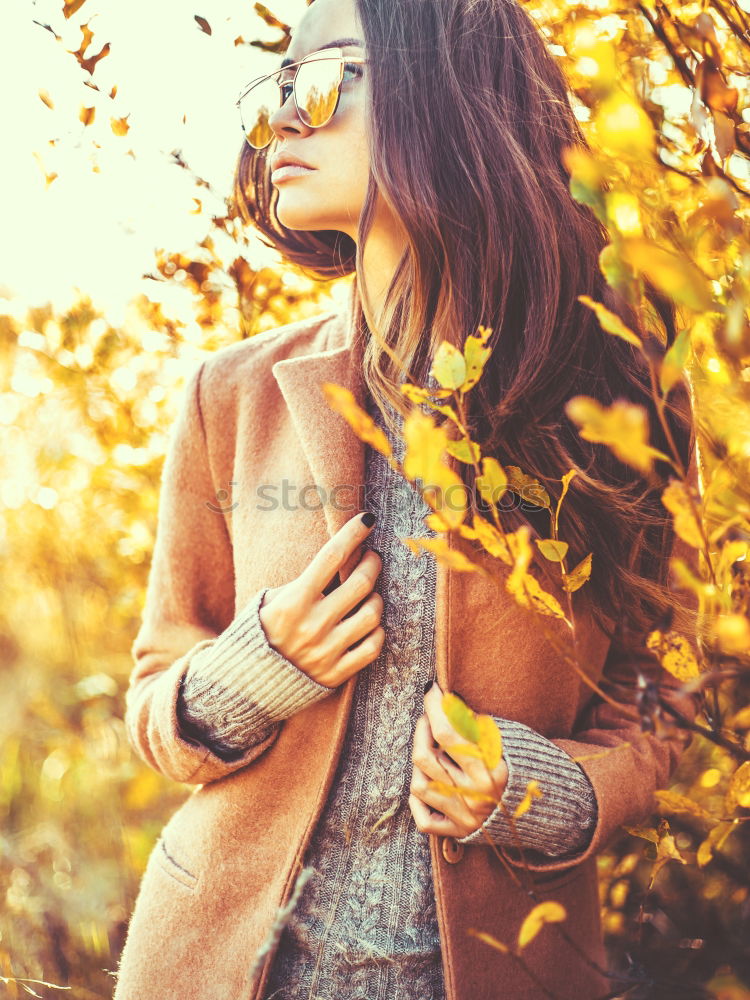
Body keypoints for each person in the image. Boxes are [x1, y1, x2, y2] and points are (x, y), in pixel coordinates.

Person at [113, 0, 702, 998]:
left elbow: (677, 696)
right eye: (275, 93)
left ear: (448, 91)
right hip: (214, 965)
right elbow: (154, 689)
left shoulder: (618, 402)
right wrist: (250, 675)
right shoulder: (230, 393)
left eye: (322, 80)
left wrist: (555, 794)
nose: (281, 123)